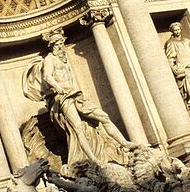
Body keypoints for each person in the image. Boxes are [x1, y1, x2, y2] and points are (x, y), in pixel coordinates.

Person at [37, 31, 133, 166]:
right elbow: (47, 76)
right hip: (63, 97)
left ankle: (125, 143)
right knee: (78, 128)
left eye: (62, 43)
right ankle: (94, 160)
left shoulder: (62, 59)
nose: (61, 46)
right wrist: (58, 87)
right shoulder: (49, 59)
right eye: (58, 44)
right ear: (53, 46)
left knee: (103, 117)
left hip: (76, 94)